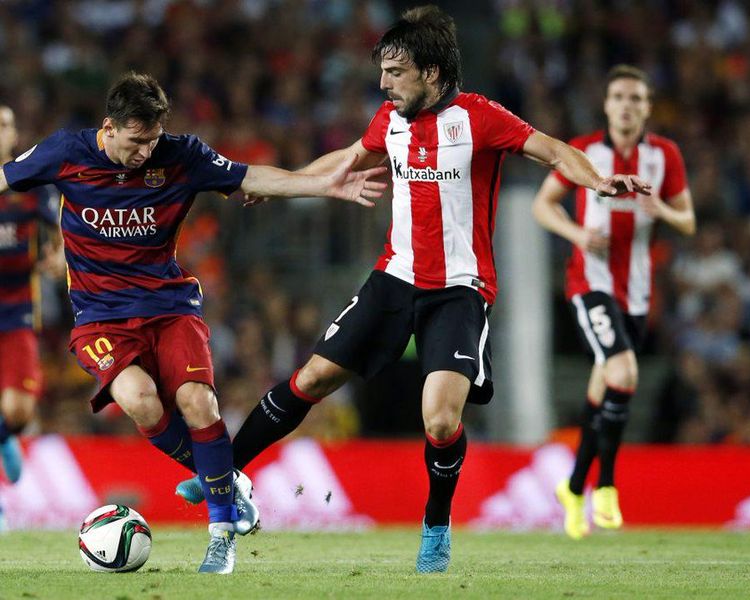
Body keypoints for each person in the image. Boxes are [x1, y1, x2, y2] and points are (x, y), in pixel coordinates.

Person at [176, 6, 650, 572]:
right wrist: (286, 185)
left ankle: (436, 528)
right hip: (395, 277)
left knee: (441, 421)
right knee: (312, 378)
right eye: (383, 71)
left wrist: (598, 180)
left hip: (459, 289)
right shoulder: (390, 119)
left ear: (430, 72)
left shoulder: (479, 118)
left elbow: (553, 150)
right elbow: (349, 159)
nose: (383, 83)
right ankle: (222, 473)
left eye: (395, 72)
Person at [0, 72, 386, 572]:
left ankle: (221, 534)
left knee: (198, 402)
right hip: (100, 316)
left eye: (152, 141)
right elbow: (5, 177)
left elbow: (250, 177)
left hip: (170, 307)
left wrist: (322, 185)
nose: (145, 153)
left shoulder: (181, 155)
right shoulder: (65, 152)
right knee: (140, 402)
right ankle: (225, 480)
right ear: (109, 128)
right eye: (136, 142)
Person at [532, 64, 696, 540]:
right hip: (591, 282)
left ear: (647, 108)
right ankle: (605, 484)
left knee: (603, 386)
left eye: (636, 98)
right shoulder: (584, 151)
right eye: (619, 97)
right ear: (606, 105)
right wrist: (577, 234)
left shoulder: (664, 155)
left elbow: (687, 221)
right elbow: (543, 205)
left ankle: (573, 488)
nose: (627, 105)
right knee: (623, 373)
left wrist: (661, 210)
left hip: (638, 291)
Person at [0, 106, 63, 531]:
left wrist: (57, 257)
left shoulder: (31, 184)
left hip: (17, 306)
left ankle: (6, 434)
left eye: (4, 125)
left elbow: (60, 235)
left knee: (20, 411)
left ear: (14, 134)